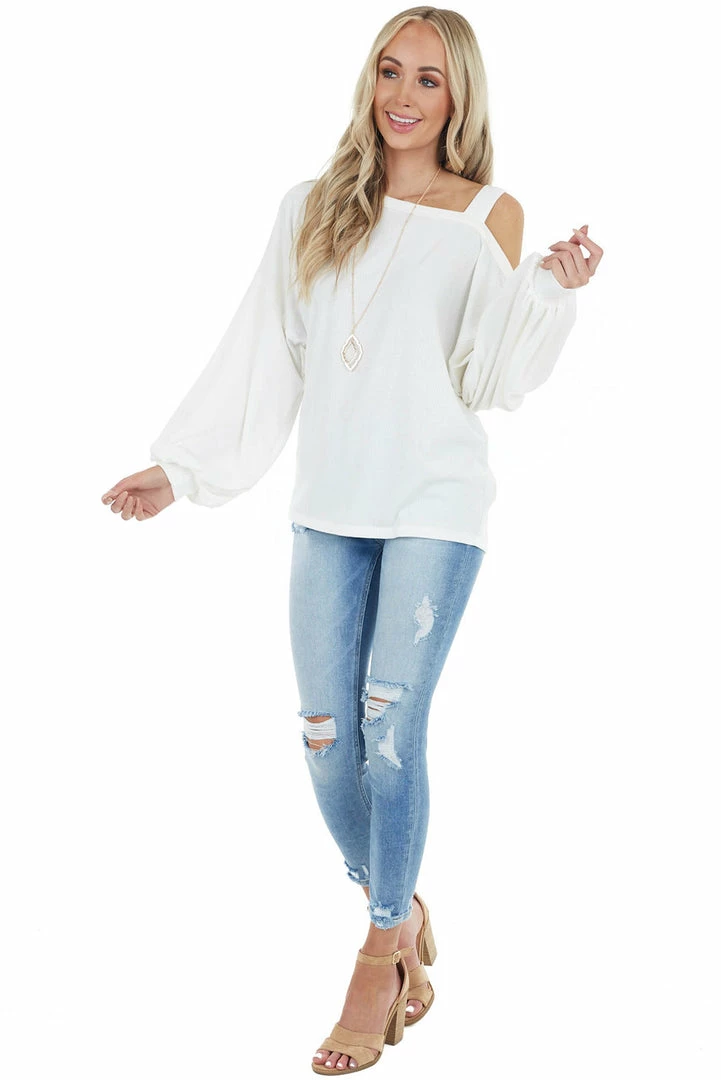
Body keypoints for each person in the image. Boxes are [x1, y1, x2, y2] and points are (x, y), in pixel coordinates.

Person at [100, 6, 602, 1074]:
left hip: (433, 510)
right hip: (328, 507)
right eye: (389, 71)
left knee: (390, 730)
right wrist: (180, 470)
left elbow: (488, 378)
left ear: (458, 98)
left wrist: (548, 296)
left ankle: (377, 959)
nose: (402, 96)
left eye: (428, 78)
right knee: (326, 741)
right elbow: (263, 351)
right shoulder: (312, 205)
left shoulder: (489, 214)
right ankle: (403, 909)